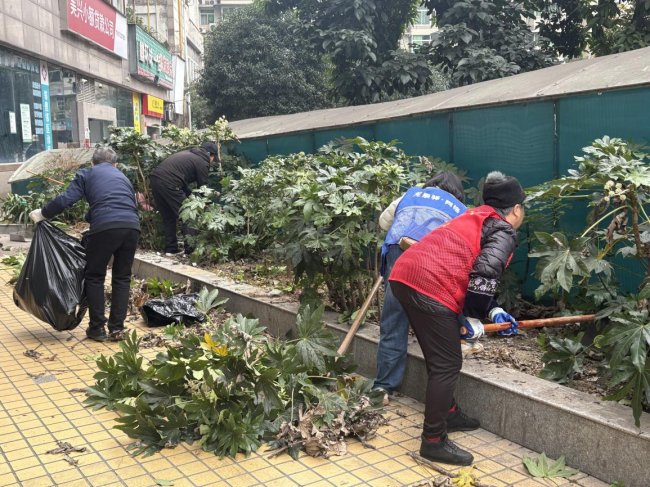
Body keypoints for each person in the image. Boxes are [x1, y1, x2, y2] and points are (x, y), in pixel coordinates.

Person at [388, 171, 525, 466]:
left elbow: (469, 266)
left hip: (405, 276)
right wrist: (473, 317)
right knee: (447, 364)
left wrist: (491, 310)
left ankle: (448, 414)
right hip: (430, 285)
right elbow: (485, 272)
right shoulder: (503, 230)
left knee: (439, 356)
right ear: (516, 209)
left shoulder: (473, 216)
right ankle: (433, 441)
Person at [29, 147, 141, 342]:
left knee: (95, 276)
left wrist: (43, 213)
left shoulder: (87, 173)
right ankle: (117, 328)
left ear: (92, 163)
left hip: (105, 227)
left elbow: (66, 199)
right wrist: (93, 216)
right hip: (132, 227)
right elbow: (122, 203)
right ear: (115, 164)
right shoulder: (123, 178)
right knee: (122, 277)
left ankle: (97, 328)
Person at [374, 172, 467, 403]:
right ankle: (439, 395)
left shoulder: (410, 194)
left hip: (398, 252)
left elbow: (383, 222)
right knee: (435, 322)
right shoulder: (460, 210)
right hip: (432, 261)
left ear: (431, 184)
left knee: (393, 320)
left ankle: (383, 388)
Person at [149, 141, 219, 256]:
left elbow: (182, 184)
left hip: (155, 180)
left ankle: (171, 249)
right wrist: (208, 204)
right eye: (213, 158)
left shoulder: (189, 155)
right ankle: (190, 251)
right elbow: (203, 188)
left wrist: (191, 195)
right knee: (189, 214)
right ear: (210, 155)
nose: (212, 161)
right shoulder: (202, 162)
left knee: (168, 216)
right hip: (170, 183)